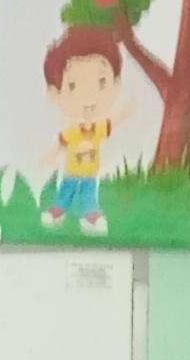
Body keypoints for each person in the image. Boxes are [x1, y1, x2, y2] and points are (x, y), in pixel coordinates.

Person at [42, 29, 131, 234]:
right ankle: (58, 210)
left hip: (90, 173)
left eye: (101, 82)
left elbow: (111, 124)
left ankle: (90, 215)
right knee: (66, 190)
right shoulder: (74, 130)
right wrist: (50, 154)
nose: (89, 96)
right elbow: (61, 142)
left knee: (90, 195)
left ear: (116, 84)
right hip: (72, 171)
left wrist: (124, 113)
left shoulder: (97, 128)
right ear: (55, 93)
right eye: (73, 85)